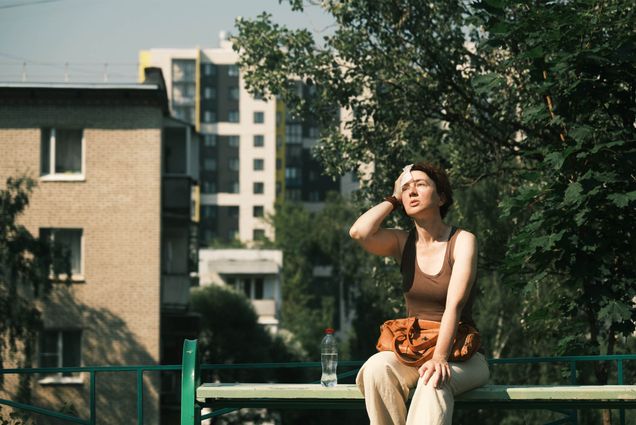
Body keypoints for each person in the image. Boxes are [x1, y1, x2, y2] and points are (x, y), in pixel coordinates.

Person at [349, 162, 489, 425]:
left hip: (461, 355)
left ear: (442, 197)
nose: (411, 192)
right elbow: (359, 232)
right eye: (406, 189)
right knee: (376, 368)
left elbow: (454, 306)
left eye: (421, 185)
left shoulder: (463, 240)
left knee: (433, 381)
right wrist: (392, 198)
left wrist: (439, 358)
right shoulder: (402, 242)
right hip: (414, 350)